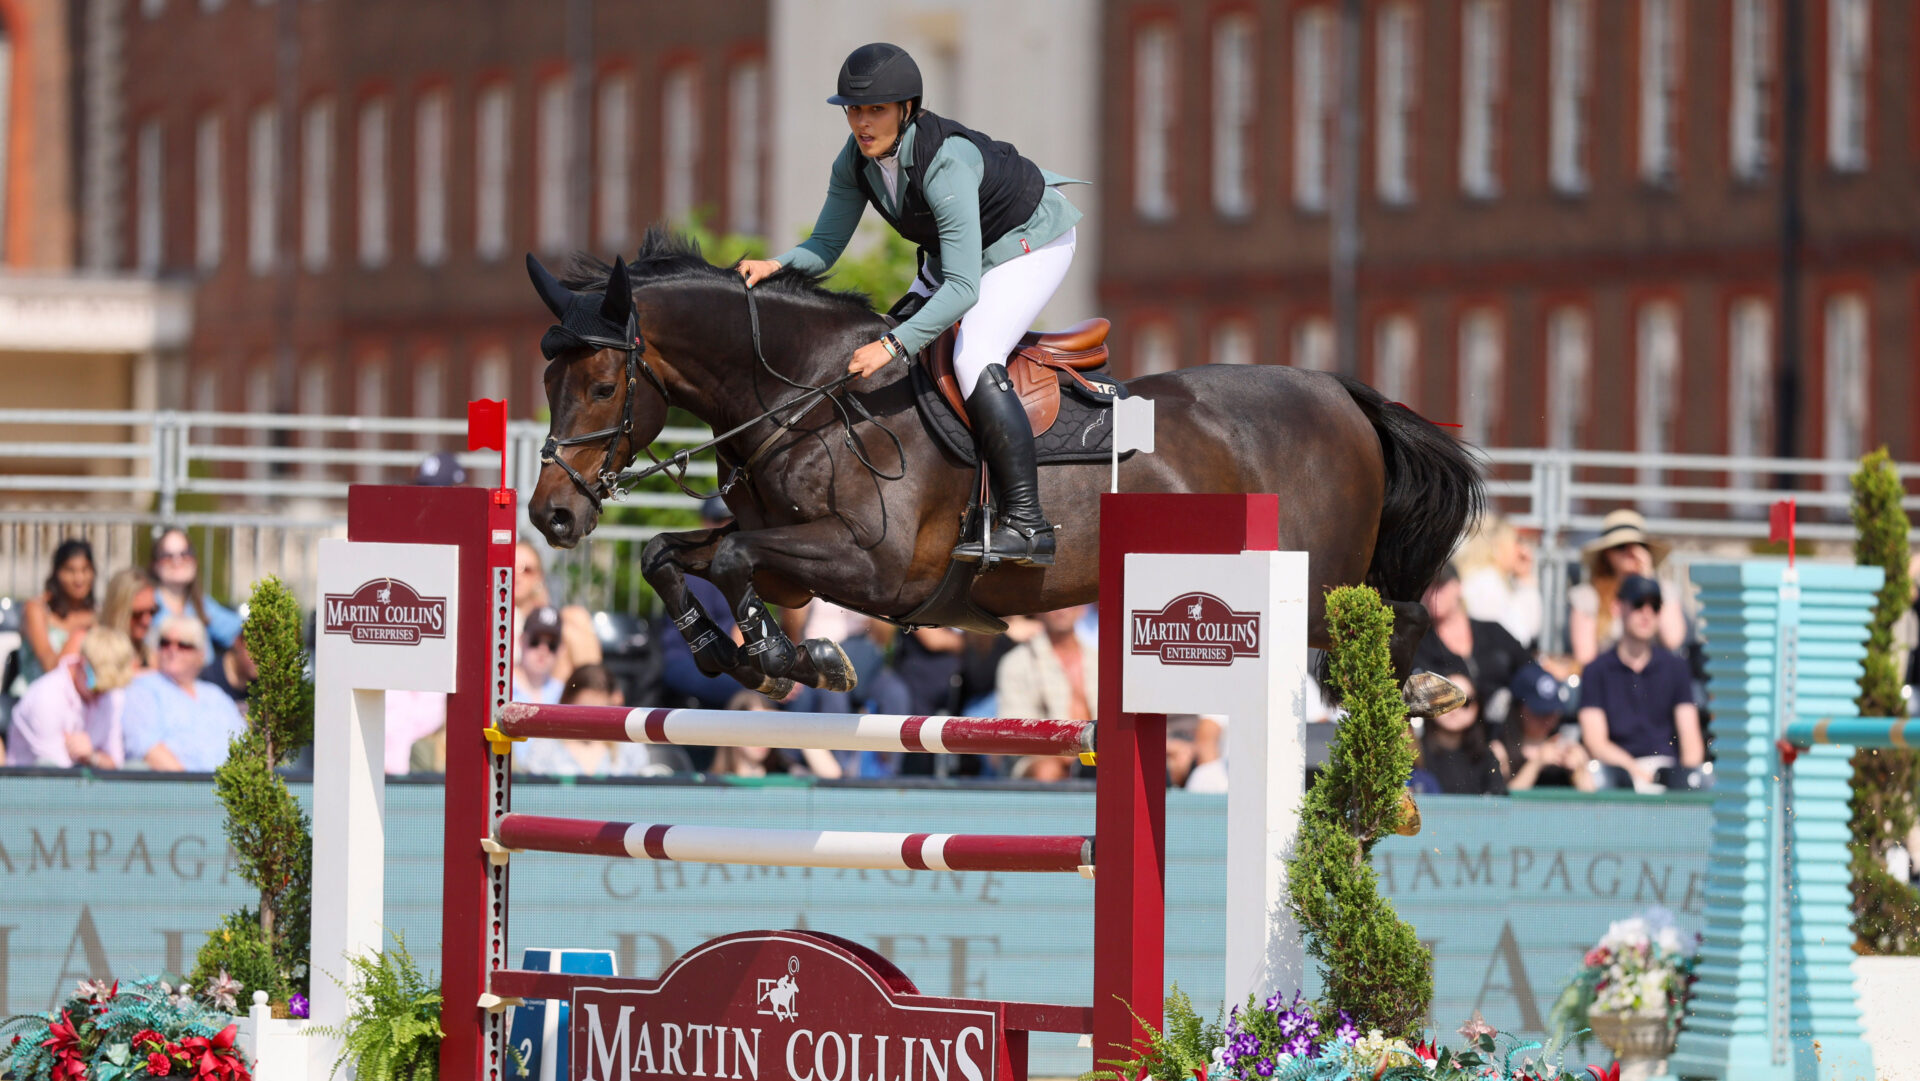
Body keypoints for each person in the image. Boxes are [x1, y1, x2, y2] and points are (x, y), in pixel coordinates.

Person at [737, 42, 1087, 567]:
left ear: (907, 110)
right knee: (887, 336)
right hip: (961, 254)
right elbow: (826, 246)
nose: (861, 122)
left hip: (1029, 239)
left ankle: (1027, 523)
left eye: (875, 109)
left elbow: (965, 290)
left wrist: (894, 346)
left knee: (973, 354)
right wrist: (776, 266)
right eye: (854, 110)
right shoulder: (855, 161)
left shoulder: (945, 162)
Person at [1577, 575, 1705, 791]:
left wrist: (1683, 781)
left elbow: (1691, 742)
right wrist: (1633, 770)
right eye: (1638, 603)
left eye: (1655, 606)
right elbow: (1595, 741)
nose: (1646, 612)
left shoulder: (1676, 667)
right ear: (1618, 607)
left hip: (1666, 772)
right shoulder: (1595, 670)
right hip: (1614, 773)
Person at [121, 614, 246, 772]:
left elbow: (245, 747)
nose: (172, 650)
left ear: (201, 655)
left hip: (229, 790)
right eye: (165, 643)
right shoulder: (142, 688)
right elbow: (146, 748)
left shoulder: (215, 695)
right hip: (177, 790)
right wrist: (194, 790)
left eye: (184, 645)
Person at [1411, 564, 1532, 726]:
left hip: (1505, 734)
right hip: (1451, 742)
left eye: (1439, 585)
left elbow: (1528, 669)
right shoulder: (1421, 643)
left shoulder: (1492, 631)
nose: (1431, 594)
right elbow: (1414, 694)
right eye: (1426, 588)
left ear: (1458, 586)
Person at [512, 664, 679, 777]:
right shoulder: (544, 747)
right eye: (582, 712)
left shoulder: (629, 747)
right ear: (567, 704)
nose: (589, 724)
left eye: (599, 714)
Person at [1568, 509, 1688, 665]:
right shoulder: (1588, 596)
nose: (1631, 552)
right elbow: (1585, 658)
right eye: (1621, 546)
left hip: (1655, 679)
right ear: (1607, 554)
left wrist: (1648, 580)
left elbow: (1673, 639)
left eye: (1638, 545)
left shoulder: (1664, 590)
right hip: (1608, 680)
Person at [5, 629, 137, 768]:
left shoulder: (112, 695)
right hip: (36, 786)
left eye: (107, 688)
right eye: (97, 687)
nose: (102, 694)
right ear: (82, 662)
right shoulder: (45, 698)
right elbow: (59, 776)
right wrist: (93, 758)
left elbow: (116, 764)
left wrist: (92, 757)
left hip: (83, 784)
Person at [14, 539, 98, 696]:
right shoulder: (37, 609)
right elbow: (50, 667)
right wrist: (78, 636)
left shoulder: (97, 615)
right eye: (70, 571)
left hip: (80, 701)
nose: (79, 579)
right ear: (56, 573)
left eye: (85, 570)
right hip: (36, 697)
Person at [512, 540, 602, 686]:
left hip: (549, 685)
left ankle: (594, 690)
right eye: (511, 568)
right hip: (520, 686)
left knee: (575, 617)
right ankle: (594, 692)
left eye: (526, 570)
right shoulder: (498, 618)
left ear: (538, 577)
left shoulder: (557, 616)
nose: (518, 576)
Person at [1502, 662, 1596, 792]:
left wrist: (1580, 771)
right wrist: (1536, 764)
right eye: (1539, 713)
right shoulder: (1501, 751)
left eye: (1552, 713)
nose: (1548, 720)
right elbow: (1503, 805)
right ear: (1519, 709)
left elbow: (1593, 806)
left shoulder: (1566, 749)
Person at [1415, 667, 1509, 796]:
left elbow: (1498, 805)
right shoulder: (1415, 753)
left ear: (1476, 708)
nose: (1454, 709)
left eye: (1464, 702)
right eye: (1445, 699)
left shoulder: (1486, 756)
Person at [707, 690, 843, 778]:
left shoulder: (784, 773)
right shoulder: (711, 782)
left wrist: (792, 724)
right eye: (754, 728)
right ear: (733, 730)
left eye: (767, 728)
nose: (762, 738)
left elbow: (831, 775)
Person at [149, 527, 243, 653]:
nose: (177, 561)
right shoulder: (146, 605)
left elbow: (237, 630)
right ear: (155, 564)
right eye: (167, 555)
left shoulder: (201, 604)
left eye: (185, 554)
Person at [1456, 516, 1544, 650]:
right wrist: (1527, 582)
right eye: (1516, 542)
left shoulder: (1488, 580)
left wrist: (1525, 578)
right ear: (1498, 548)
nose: (1521, 550)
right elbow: (1521, 635)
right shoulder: (1487, 583)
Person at [99, 567, 160, 672]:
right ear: (116, 611)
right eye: (137, 614)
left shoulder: (152, 659)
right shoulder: (88, 648)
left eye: (152, 611)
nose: (147, 621)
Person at [512, 606, 567, 705]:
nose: (543, 650)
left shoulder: (564, 694)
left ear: (560, 649)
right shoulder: (501, 687)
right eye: (535, 641)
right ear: (521, 640)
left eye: (552, 644)